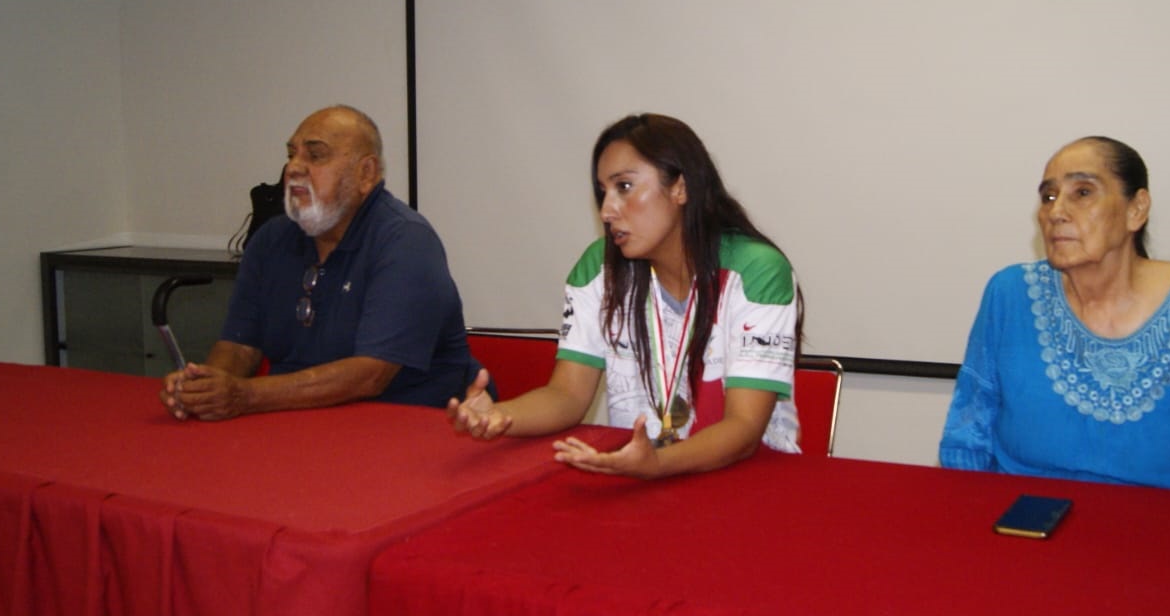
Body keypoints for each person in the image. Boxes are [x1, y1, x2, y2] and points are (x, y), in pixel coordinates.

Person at [448, 113, 802, 478]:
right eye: (603, 192)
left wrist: (657, 464)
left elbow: (744, 430)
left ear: (680, 187)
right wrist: (501, 415)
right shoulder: (598, 271)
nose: (606, 211)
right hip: (643, 479)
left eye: (625, 187)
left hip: (747, 483)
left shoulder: (756, 270)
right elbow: (567, 396)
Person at [939, 136, 1170, 495]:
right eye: (1048, 196)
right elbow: (966, 442)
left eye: (1082, 193)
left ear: (1136, 210)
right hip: (1025, 524)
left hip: (1162, 534)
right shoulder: (1009, 294)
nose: (1056, 211)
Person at [161, 105, 479, 420]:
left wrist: (245, 395)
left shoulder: (406, 241)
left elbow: (371, 374)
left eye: (315, 156)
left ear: (366, 173)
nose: (293, 168)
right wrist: (205, 387)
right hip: (295, 424)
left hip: (407, 429)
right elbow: (239, 346)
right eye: (291, 155)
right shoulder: (271, 240)